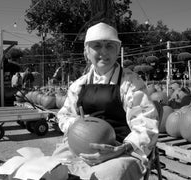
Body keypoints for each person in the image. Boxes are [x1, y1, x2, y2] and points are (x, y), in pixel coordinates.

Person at [54, 22, 159, 180]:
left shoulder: (131, 84)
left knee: (111, 175)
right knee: (53, 169)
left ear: (117, 50)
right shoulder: (78, 86)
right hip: (79, 148)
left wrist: (122, 148)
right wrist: (78, 127)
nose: (103, 51)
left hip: (121, 151)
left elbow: (147, 124)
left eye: (109, 46)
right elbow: (64, 115)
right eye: (96, 46)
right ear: (86, 52)